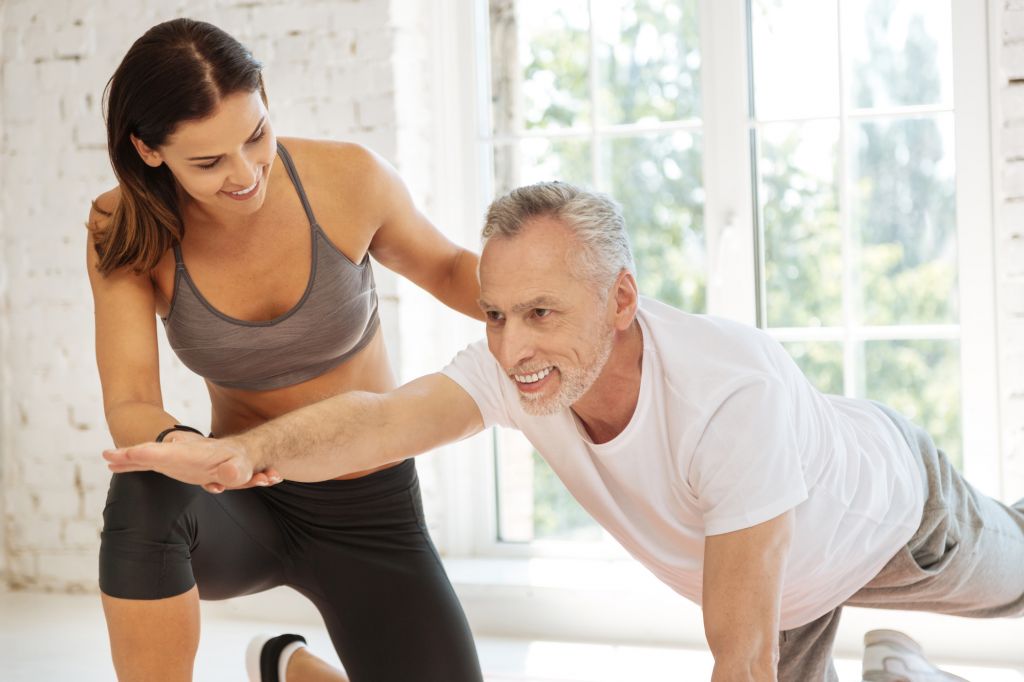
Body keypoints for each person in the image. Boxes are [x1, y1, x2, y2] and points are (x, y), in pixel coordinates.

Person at [104, 181, 1024, 682]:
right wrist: (247, 452)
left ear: (622, 298)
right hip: (784, 585)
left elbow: (736, 657)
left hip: (902, 523)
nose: (513, 345)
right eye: (497, 313)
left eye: (541, 312)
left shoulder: (728, 396)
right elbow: (382, 424)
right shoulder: (519, 366)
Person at [87, 17, 484, 682]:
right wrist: (195, 453)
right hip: (246, 502)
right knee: (148, 485)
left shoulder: (348, 178)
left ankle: (287, 669)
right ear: (150, 151)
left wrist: (551, 304)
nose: (245, 174)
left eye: (256, 135)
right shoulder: (123, 224)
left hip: (371, 506)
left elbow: (446, 269)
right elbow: (130, 401)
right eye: (209, 162)